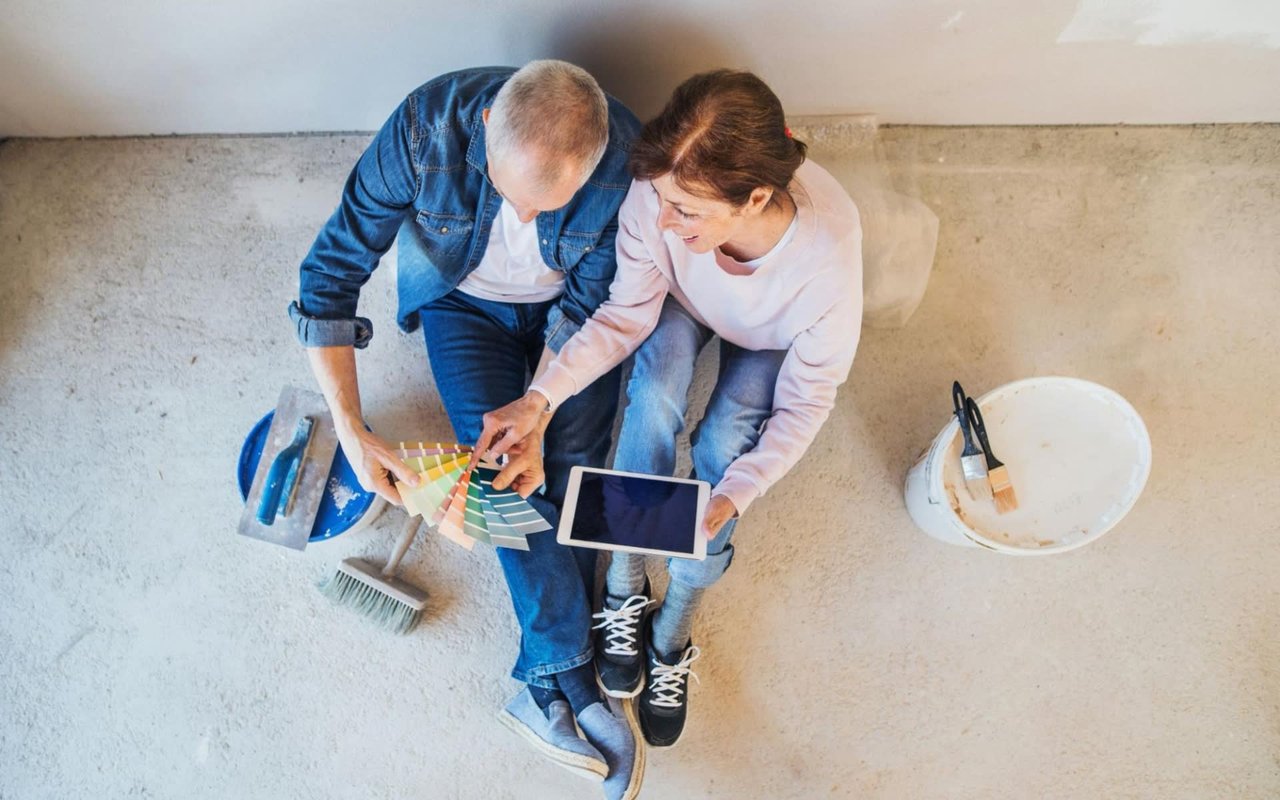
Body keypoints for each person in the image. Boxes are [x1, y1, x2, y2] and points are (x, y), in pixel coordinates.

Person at [478, 69, 864, 748]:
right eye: (660, 199)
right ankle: (625, 579)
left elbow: (806, 403)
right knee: (653, 394)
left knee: (725, 451)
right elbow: (625, 315)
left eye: (686, 210)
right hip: (680, 303)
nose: (662, 220)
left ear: (756, 199)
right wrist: (541, 397)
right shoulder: (659, 195)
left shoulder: (827, 264)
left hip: (770, 337)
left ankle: (676, 619)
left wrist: (737, 494)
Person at [289, 61, 644, 799]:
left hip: (566, 323)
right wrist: (352, 430)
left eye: (546, 206)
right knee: (495, 476)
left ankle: (547, 685)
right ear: (485, 128)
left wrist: (541, 407)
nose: (521, 219)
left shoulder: (627, 164)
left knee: (573, 464)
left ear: (592, 166)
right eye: (507, 194)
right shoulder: (425, 127)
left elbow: (591, 302)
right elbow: (327, 277)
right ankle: (570, 683)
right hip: (461, 307)